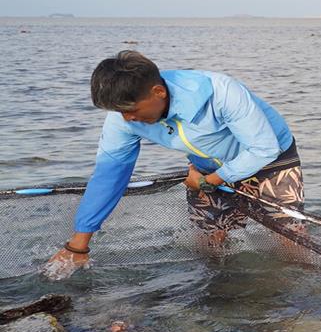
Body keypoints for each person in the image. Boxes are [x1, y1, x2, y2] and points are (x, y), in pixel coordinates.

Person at [42, 50, 303, 280]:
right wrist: (79, 244)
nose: (127, 118)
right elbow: (109, 176)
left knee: (288, 239)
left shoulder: (221, 92)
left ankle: (297, 299)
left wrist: (211, 181)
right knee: (208, 242)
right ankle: (221, 291)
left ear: (159, 92)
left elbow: (263, 149)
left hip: (272, 159)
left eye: (130, 109)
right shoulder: (123, 118)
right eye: (119, 111)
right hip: (206, 165)